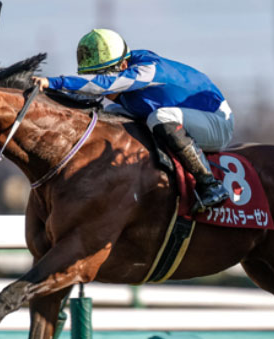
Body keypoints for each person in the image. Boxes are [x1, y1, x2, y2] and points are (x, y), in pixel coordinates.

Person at [32, 28, 234, 212]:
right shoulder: (125, 66)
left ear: (123, 65)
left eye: (100, 75)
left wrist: (53, 82)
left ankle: (210, 184)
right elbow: (91, 91)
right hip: (187, 116)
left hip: (217, 122)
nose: (97, 82)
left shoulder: (146, 71)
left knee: (159, 117)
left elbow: (103, 85)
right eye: (90, 75)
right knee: (109, 112)